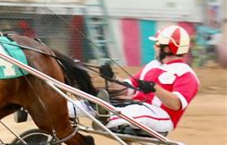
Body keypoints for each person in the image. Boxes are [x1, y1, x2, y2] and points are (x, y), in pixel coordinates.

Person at [69, 25, 200, 133]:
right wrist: (111, 78)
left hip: (162, 117)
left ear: (166, 48)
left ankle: (107, 118)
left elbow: (176, 104)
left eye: (157, 44)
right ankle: (64, 110)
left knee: (136, 111)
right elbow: (127, 90)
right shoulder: (152, 66)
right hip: (135, 106)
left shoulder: (186, 74)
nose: (154, 47)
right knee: (95, 103)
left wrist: (154, 88)